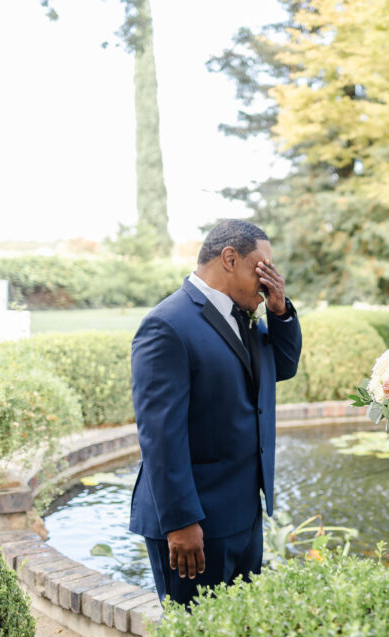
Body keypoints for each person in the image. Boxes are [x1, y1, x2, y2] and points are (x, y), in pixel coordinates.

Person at [128, 219, 302, 607]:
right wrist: (181, 523)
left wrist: (279, 309)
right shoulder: (166, 325)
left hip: (243, 514)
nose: (270, 277)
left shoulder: (248, 315)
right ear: (229, 258)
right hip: (195, 525)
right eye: (263, 267)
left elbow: (284, 367)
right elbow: (160, 436)